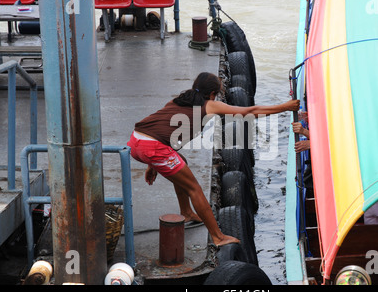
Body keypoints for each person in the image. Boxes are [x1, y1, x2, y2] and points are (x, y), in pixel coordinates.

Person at [127, 72, 300, 247]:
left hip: (136, 142)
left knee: (182, 163)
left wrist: (152, 165)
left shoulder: (177, 101)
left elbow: (158, 128)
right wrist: (285, 107)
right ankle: (218, 237)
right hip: (153, 148)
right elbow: (249, 111)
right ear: (211, 94)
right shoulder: (209, 105)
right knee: (194, 188)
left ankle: (186, 212)